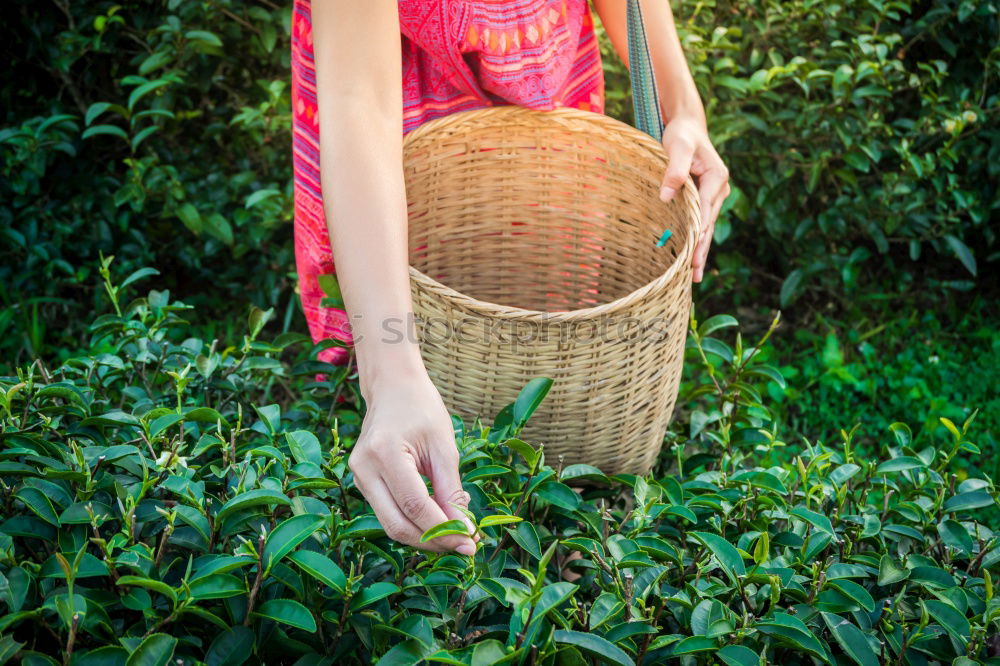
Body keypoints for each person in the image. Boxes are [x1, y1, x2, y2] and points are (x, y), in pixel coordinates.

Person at [291, 0, 730, 557]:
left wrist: (681, 105)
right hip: (400, 130)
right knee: (414, 373)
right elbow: (361, 103)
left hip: (550, 99)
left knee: (551, 336)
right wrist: (390, 373)